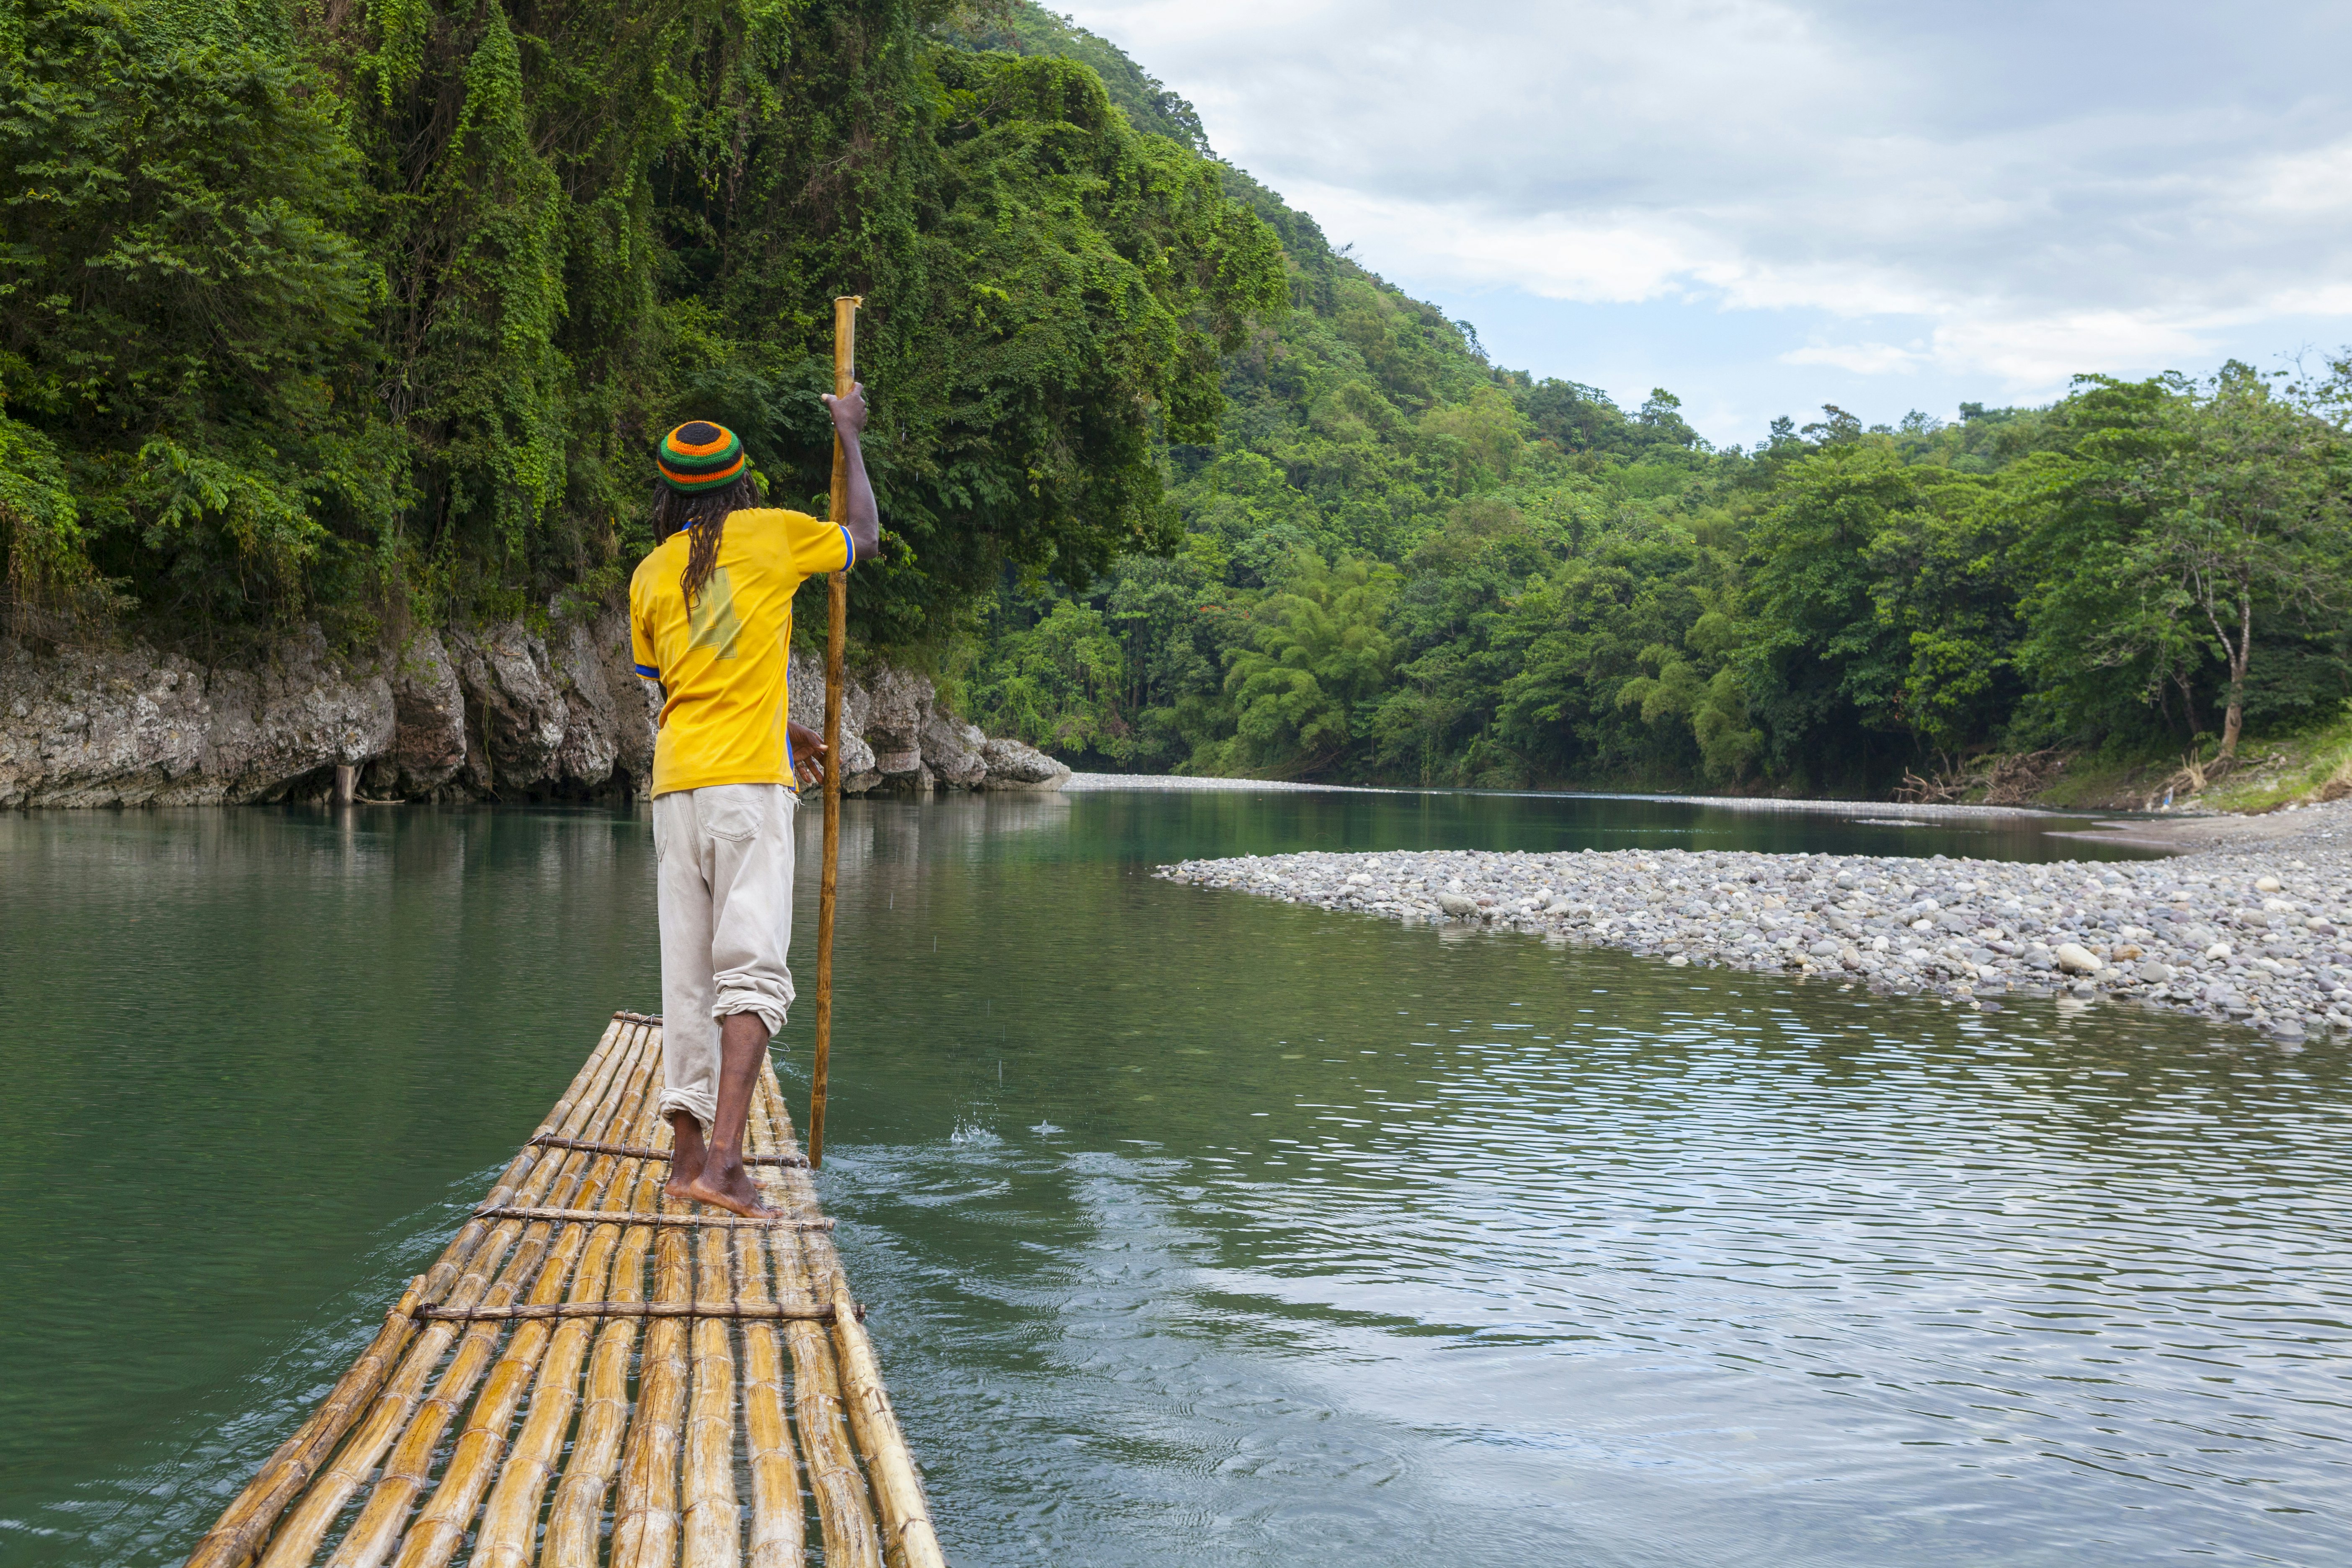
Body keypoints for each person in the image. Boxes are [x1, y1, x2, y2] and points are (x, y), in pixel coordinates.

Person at [628, 388, 879, 1217]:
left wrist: (788, 729)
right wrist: (847, 437)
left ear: (664, 495)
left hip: (677, 792)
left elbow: (679, 693)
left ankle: (687, 1158)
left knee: (688, 979)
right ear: (740, 484)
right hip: (745, 790)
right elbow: (864, 539)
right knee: (753, 973)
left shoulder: (649, 575)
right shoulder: (773, 533)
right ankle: (726, 1164)